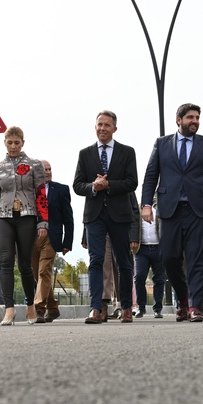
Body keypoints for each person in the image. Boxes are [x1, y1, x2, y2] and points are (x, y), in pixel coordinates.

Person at [141, 103, 203, 322]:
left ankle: (195, 306)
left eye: (197, 117)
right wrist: (146, 205)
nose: (194, 121)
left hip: (200, 210)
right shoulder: (162, 144)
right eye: (190, 117)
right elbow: (151, 175)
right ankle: (184, 298)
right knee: (169, 257)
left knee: (198, 258)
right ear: (178, 120)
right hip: (170, 209)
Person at [74, 110, 138, 324]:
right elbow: (77, 185)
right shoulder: (85, 154)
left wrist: (109, 185)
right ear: (95, 127)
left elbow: (132, 182)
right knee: (96, 261)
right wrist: (93, 186)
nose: (102, 128)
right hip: (94, 215)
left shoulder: (127, 152)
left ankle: (127, 307)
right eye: (99, 124)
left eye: (107, 125)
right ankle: (95, 308)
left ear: (114, 129)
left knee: (124, 262)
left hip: (120, 214)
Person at [0, 126, 49, 326]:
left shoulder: (34, 165)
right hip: (2, 217)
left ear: (22, 142)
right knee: (5, 261)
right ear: (4, 143)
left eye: (17, 142)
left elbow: (40, 194)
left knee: (24, 264)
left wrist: (42, 221)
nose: (13, 146)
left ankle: (30, 307)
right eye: (9, 142)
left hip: (27, 216)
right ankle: (9, 309)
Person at [32, 160, 74, 323]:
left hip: (51, 238)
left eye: (50, 169)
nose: (48, 172)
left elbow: (68, 218)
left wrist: (67, 242)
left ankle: (39, 308)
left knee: (44, 272)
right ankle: (53, 308)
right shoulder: (30, 190)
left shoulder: (61, 190)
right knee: (39, 275)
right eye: (44, 169)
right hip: (31, 238)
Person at [133, 195, 165, 318]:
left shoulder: (161, 207)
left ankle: (157, 308)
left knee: (159, 279)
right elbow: (134, 225)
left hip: (158, 248)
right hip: (142, 249)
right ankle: (141, 307)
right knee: (139, 277)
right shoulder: (139, 208)